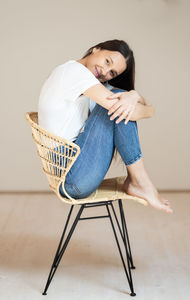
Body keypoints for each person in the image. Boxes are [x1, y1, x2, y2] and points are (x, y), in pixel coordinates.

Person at [38, 39, 173, 213]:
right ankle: (140, 181)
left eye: (112, 73)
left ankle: (138, 181)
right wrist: (129, 98)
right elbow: (135, 110)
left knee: (120, 99)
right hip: (70, 175)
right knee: (118, 100)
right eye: (107, 61)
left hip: (74, 174)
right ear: (96, 49)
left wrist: (133, 95)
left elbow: (149, 109)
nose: (105, 72)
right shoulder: (73, 71)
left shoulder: (91, 84)